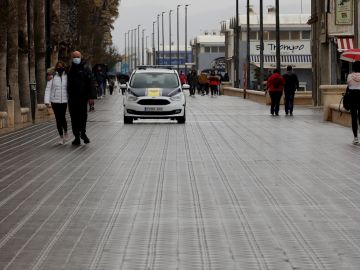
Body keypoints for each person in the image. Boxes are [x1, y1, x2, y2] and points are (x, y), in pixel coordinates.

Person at [67, 51, 96, 145]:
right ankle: (76, 137)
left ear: (81, 57)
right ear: (72, 58)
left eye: (77, 56)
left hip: (83, 98)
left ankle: (83, 133)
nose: (76, 58)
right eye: (74, 56)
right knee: (73, 118)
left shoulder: (86, 68)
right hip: (72, 98)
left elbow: (91, 83)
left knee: (82, 117)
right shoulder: (70, 69)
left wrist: (91, 97)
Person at [44, 61, 69, 145]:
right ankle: (61, 137)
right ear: (56, 68)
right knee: (58, 119)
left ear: (64, 67)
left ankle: (65, 131)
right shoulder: (52, 76)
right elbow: (48, 89)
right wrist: (47, 101)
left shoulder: (67, 76)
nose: (60, 68)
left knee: (62, 117)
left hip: (64, 100)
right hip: (55, 101)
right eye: (58, 66)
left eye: (61, 66)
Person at [346, 61, 360, 144]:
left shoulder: (349, 76)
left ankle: (355, 138)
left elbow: (348, 85)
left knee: (354, 118)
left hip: (352, 98)